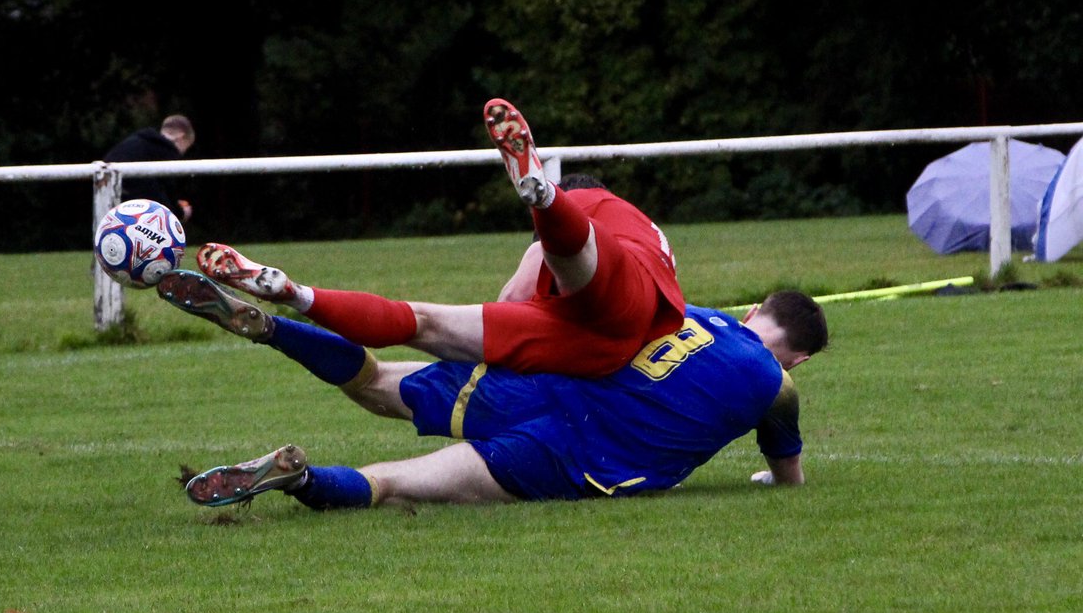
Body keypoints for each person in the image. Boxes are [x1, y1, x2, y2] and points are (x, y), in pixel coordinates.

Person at [156, 271, 826, 509]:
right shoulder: (777, 382)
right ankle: (300, 479)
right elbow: (787, 476)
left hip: (533, 387)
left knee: (377, 383)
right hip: (571, 457)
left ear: (754, 310)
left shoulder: (690, 313)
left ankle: (272, 328)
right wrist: (776, 479)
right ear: (795, 352)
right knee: (391, 482)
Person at [187, 98, 685, 378]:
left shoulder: (602, 204)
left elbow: (514, 296)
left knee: (419, 322)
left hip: (580, 321)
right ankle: (544, 199)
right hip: (608, 341)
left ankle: (298, 295)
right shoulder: (646, 228)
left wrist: (503, 335)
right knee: (583, 268)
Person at [103, 114, 196, 222]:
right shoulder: (167, 151)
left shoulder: (138, 142)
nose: (181, 153)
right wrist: (181, 212)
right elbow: (165, 195)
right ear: (181, 137)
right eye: (186, 147)